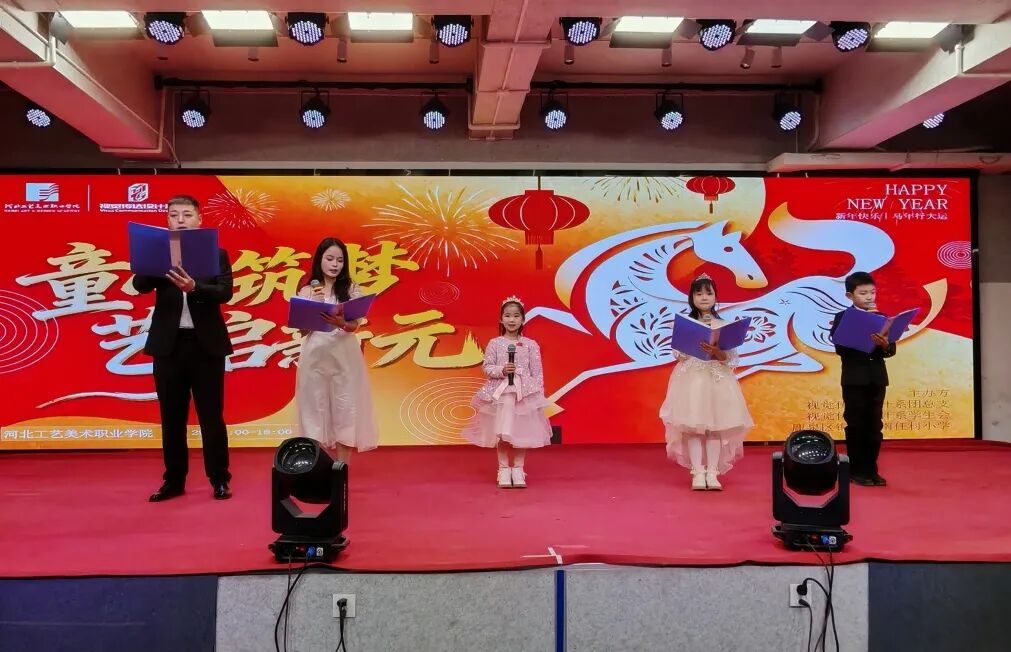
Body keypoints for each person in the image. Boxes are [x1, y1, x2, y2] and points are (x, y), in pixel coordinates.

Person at [134, 195, 234, 502]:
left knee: (211, 417)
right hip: (169, 346)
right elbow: (140, 285)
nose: (180, 220)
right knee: (172, 417)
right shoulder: (158, 253)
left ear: (199, 219)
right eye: (174, 214)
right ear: (167, 220)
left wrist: (195, 288)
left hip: (206, 346)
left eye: (187, 215)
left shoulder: (216, 253)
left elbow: (224, 292)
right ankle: (174, 481)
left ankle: (219, 478)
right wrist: (156, 261)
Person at [660, 273, 753, 491]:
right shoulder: (686, 324)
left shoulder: (723, 325)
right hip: (692, 380)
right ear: (692, 298)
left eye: (708, 293)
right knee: (694, 427)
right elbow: (678, 354)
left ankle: (712, 472)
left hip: (717, 380)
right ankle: (697, 472)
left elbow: (730, 359)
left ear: (715, 297)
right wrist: (688, 344)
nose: (704, 298)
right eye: (699, 293)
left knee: (715, 428)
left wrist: (716, 351)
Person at [294, 237, 378, 463]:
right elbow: (302, 331)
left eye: (340, 260)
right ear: (319, 260)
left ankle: (341, 468)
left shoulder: (351, 289)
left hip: (344, 355)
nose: (334, 264)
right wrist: (313, 308)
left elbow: (353, 326)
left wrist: (341, 322)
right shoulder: (307, 290)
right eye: (330, 258)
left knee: (345, 408)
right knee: (313, 409)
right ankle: (315, 467)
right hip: (315, 355)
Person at [461, 297, 552, 488]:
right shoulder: (495, 343)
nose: (512, 320)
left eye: (516, 316)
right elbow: (487, 367)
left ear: (523, 319)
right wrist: (502, 370)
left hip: (523, 395)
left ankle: (518, 469)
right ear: (501, 319)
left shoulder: (530, 344)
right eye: (508, 315)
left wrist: (538, 399)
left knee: (521, 432)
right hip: (501, 395)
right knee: (502, 432)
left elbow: (537, 373)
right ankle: (503, 469)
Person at [829, 271, 896, 487]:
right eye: (863, 293)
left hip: (877, 378)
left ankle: (871, 469)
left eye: (872, 292)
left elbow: (890, 350)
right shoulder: (843, 317)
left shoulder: (882, 317)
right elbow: (840, 348)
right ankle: (856, 470)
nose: (869, 297)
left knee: (875, 425)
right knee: (856, 424)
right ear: (850, 296)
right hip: (854, 379)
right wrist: (862, 334)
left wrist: (884, 345)